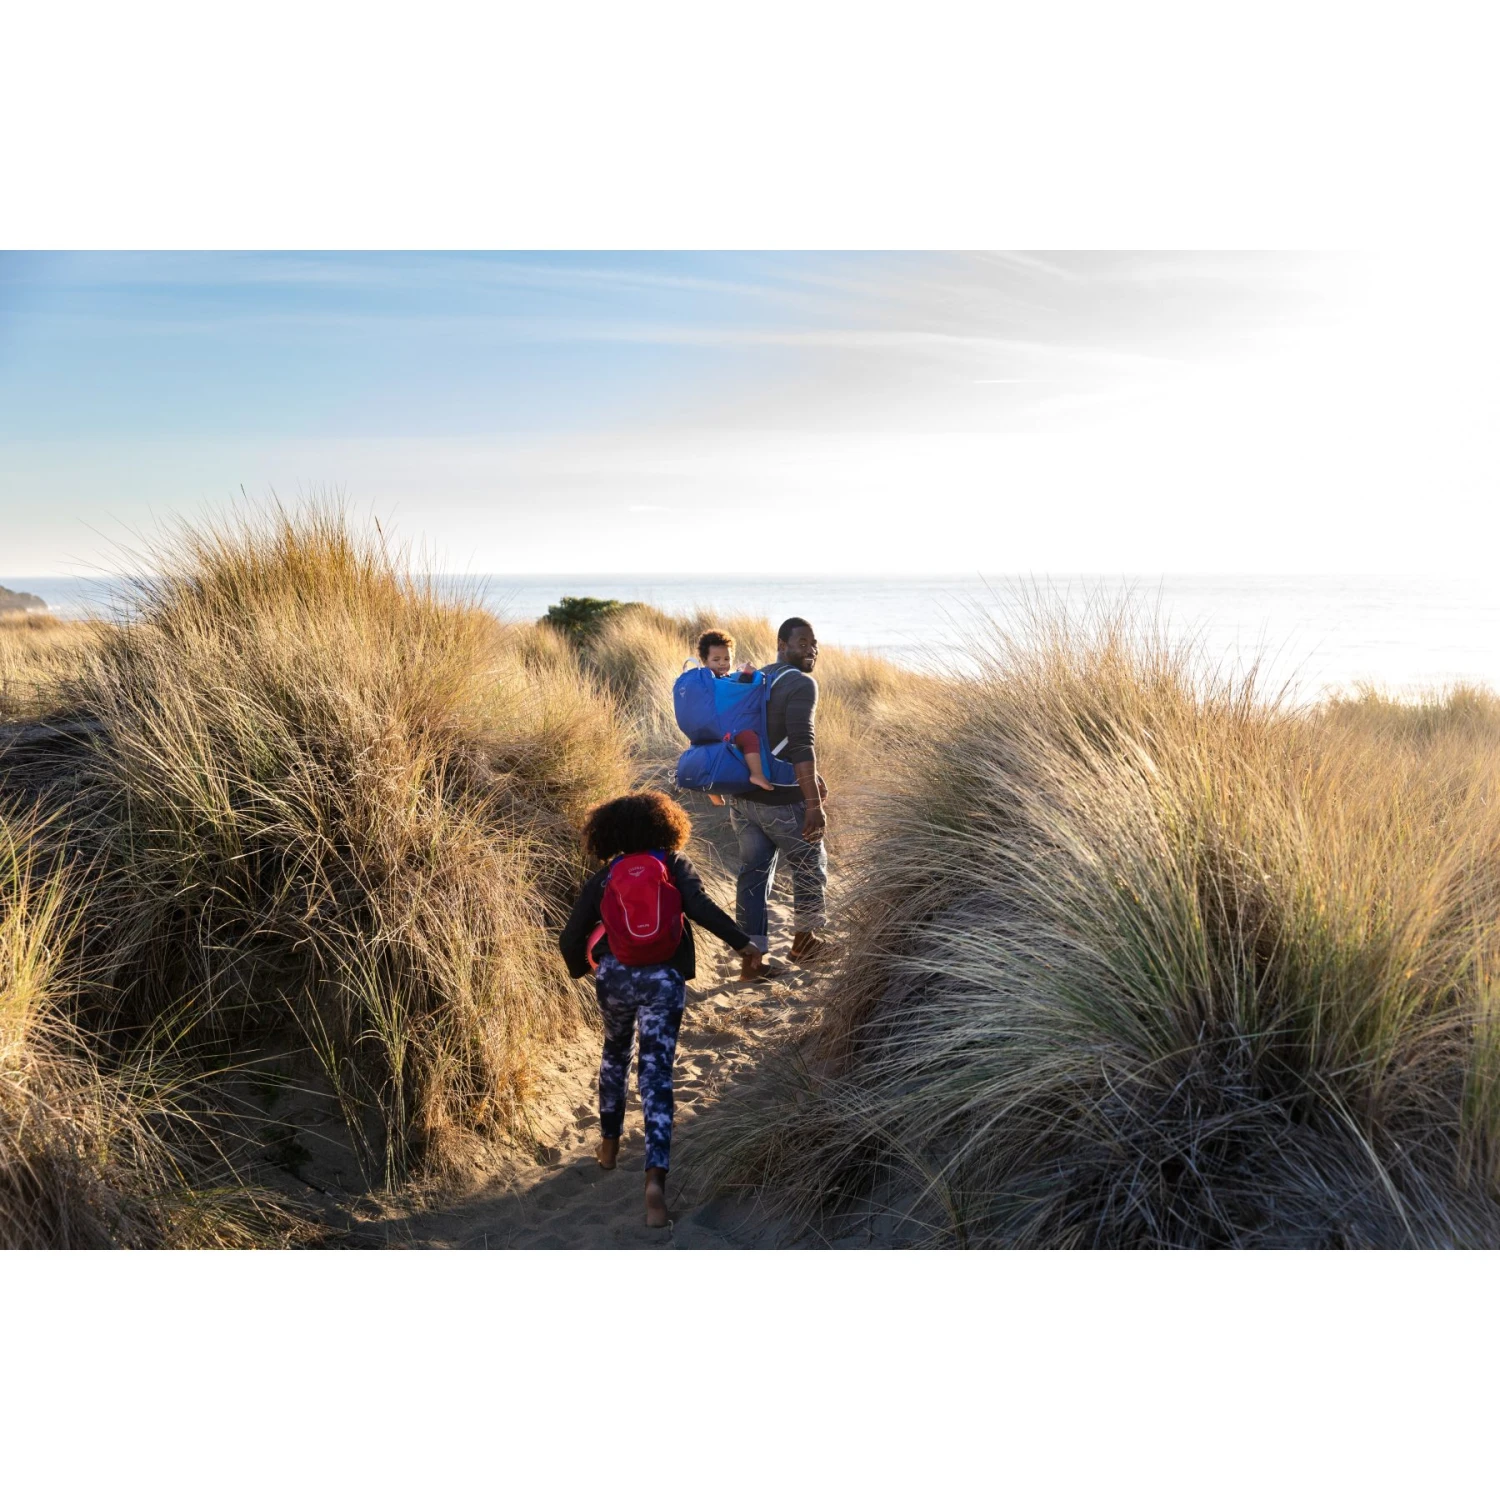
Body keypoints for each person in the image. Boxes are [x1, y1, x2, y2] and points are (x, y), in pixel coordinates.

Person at [559, 790, 765, 1228]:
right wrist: (743, 944)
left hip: (615, 976)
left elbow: (570, 936)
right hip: (663, 978)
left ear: (610, 833)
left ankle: (609, 1147)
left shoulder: (606, 875)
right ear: (665, 826)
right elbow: (702, 908)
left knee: (615, 1054)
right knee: (656, 1074)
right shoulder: (672, 864)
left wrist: (585, 969)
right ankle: (655, 1183)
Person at [726, 617, 831, 980]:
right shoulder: (801, 683)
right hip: (781, 801)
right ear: (782, 645)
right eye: (803, 643)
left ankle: (751, 962)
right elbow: (802, 744)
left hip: (743, 797)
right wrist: (813, 805)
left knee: (752, 877)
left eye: (814, 643)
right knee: (809, 861)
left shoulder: (760, 677)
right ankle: (805, 942)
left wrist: (813, 778)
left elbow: (769, 739)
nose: (811, 650)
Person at [692, 628, 773, 792]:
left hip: (706, 734)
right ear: (705, 661)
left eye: (726, 658)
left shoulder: (703, 681)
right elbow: (737, 691)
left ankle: (711, 790)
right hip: (724, 731)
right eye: (716, 659)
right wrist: (748, 675)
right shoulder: (715, 682)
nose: (722, 663)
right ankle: (757, 774)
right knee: (750, 738)